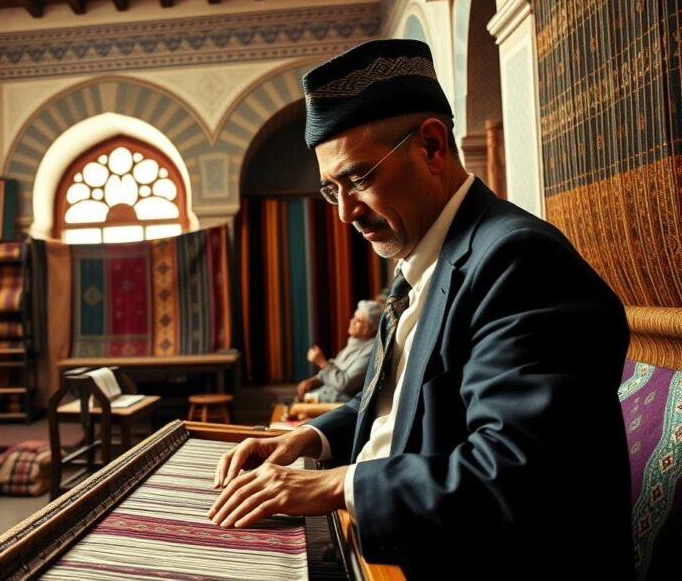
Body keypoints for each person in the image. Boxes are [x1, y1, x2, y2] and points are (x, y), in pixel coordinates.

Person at [207, 39, 632, 580]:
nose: (346, 214)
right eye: (331, 191)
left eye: (359, 179)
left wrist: (338, 483)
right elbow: (395, 398)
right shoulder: (424, 258)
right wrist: (311, 439)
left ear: (432, 145)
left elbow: (515, 475)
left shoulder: (518, 259)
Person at [297, 299, 381, 403]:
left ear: (371, 328)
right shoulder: (354, 342)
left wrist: (321, 362)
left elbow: (344, 383)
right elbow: (336, 367)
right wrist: (315, 380)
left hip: (337, 405)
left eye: (358, 320)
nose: (352, 321)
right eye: (354, 317)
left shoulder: (370, 351)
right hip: (323, 397)